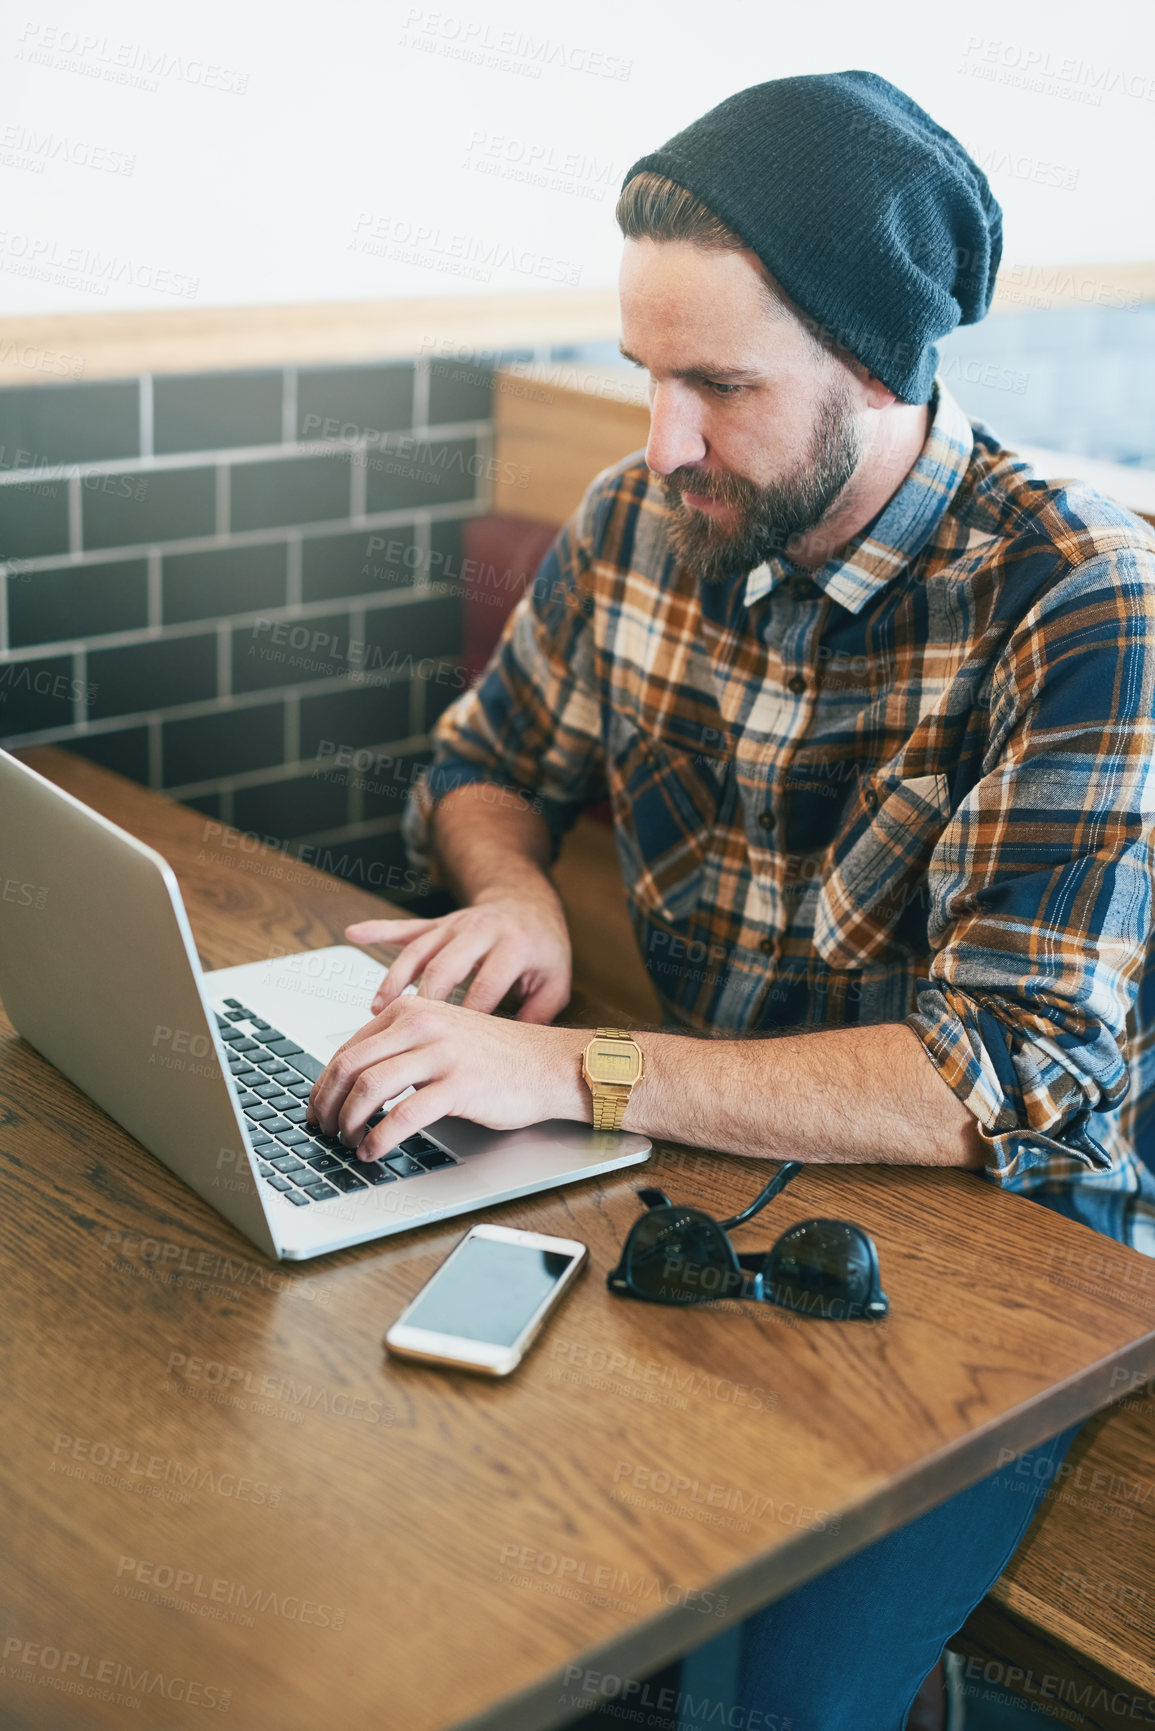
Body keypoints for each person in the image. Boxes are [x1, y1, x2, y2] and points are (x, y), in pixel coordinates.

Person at [307, 72, 1155, 1728]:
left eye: (719, 385)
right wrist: (523, 893)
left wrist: (568, 1071)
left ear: (882, 367)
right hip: (695, 1167)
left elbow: (997, 1077)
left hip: (1006, 1266)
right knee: (441, 1556)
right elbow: (484, 767)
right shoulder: (647, 519)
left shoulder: (1083, 599)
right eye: (644, 374)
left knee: (749, 1701)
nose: (661, 437)